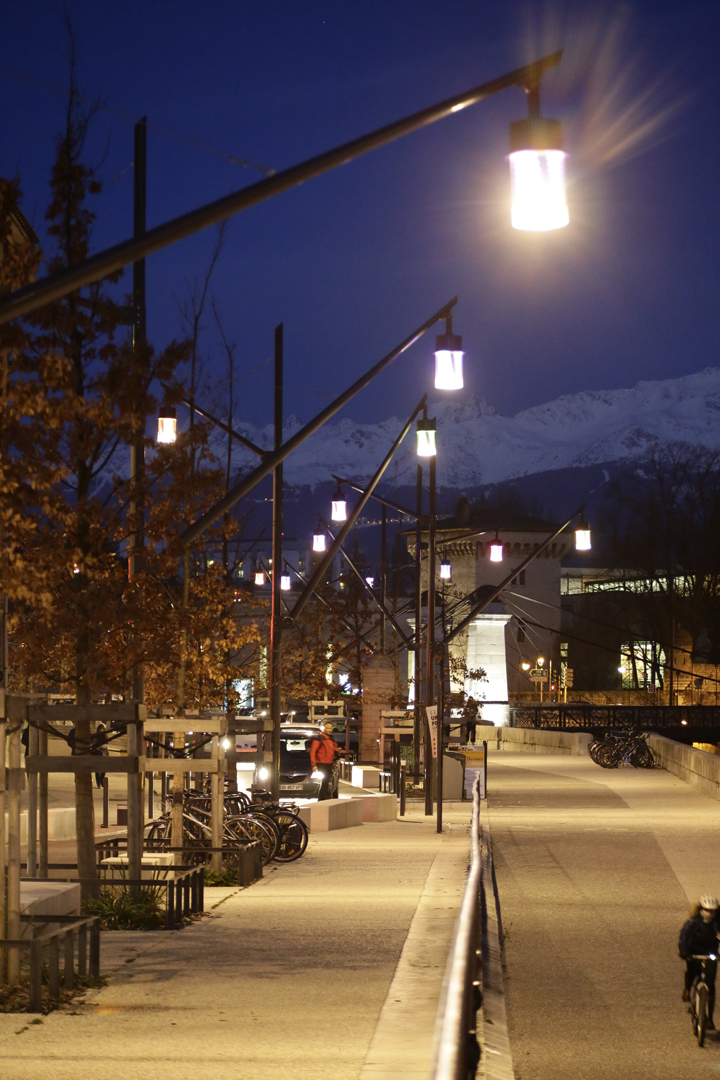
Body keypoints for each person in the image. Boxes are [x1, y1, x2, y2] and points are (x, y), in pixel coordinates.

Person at [679, 893, 720, 1027]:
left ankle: (708, 1017)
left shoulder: (717, 922)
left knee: (710, 985)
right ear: (701, 909)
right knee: (691, 973)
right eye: (707, 910)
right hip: (693, 951)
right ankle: (687, 988)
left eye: (712, 910)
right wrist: (684, 951)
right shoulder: (693, 921)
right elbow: (684, 936)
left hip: (710, 953)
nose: (710, 913)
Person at [309, 723, 339, 800]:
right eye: (328, 728)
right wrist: (314, 765)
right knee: (324, 783)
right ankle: (323, 799)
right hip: (321, 764)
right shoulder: (319, 739)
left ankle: (323, 799)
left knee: (327, 783)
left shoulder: (331, 740)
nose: (329, 730)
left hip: (329, 765)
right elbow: (313, 752)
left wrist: (337, 751)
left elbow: (333, 751)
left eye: (331, 728)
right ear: (324, 729)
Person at [91, 722, 109, 789]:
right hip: (96, 753)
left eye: (102, 729)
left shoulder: (105, 736)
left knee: (104, 769)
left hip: (103, 753)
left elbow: (106, 744)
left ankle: (101, 780)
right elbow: (92, 743)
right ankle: (98, 783)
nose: (101, 730)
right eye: (100, 729)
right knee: (97, 769)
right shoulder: (95, 736)